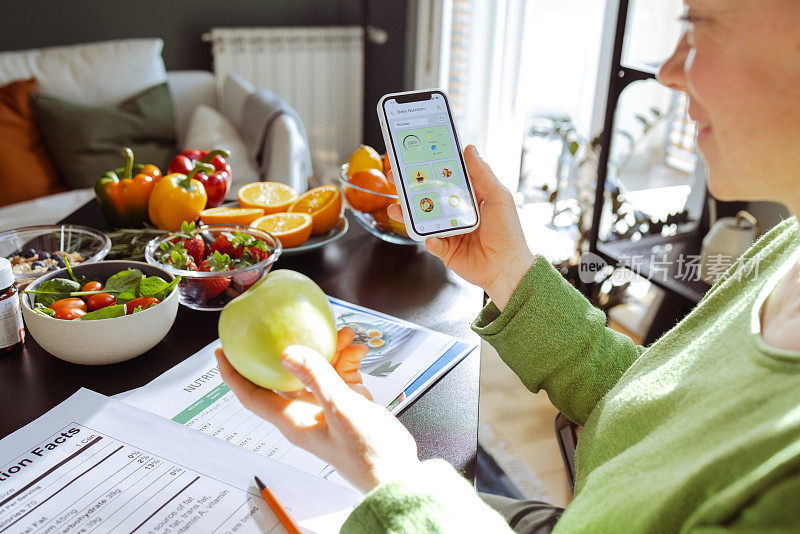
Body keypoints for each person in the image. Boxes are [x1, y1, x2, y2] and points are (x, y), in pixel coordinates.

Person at [216, 1, 800, 531]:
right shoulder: (785, 251)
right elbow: (648, 407)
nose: (669, 71)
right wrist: (510, 271)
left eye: (696, 28)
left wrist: (391, 476)